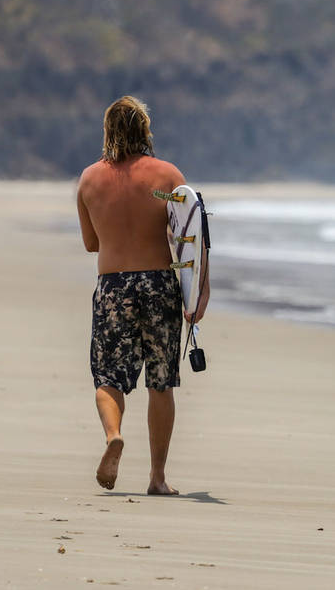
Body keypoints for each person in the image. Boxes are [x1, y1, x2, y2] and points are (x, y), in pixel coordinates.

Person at [76, 96, 209, 495]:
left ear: (108, 130)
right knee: (161, 382)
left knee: (108, 377)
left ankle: (114, 435)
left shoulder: (89, 180)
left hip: (113, 285)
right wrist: (198, 293)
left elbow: (90, 244)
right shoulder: (167, 177)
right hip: (159, 285)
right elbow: (192, 236)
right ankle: (157, 478)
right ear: (145, 130)